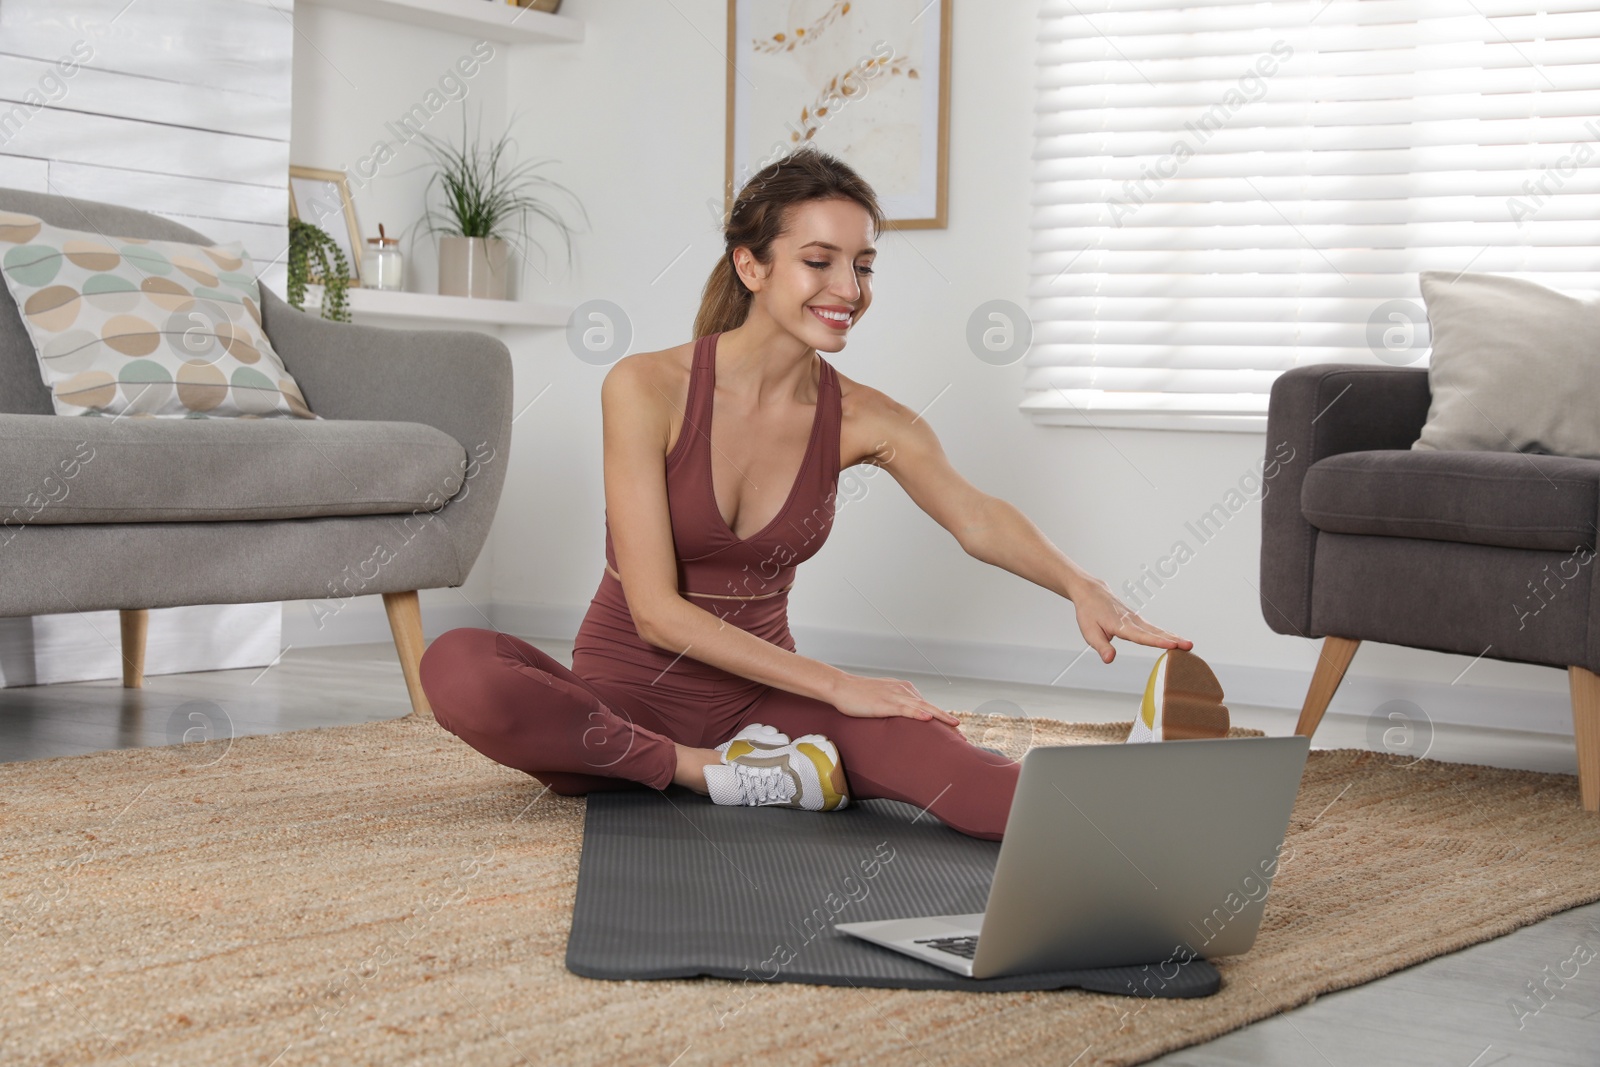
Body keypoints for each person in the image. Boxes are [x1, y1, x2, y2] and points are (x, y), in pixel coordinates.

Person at [418, 145, 1228, 841]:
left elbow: (974, 514)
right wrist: (843, 684)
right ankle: (705, 774)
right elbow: (656, 612)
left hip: (771, 709)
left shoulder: (868, 418)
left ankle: (1145, 798)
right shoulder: (646, 387)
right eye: (820, 260)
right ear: (751, 265)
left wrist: (1082, 587)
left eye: (864, 263)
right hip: (619, 707)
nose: (850, 287)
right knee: (457, 665)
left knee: (966, 777)